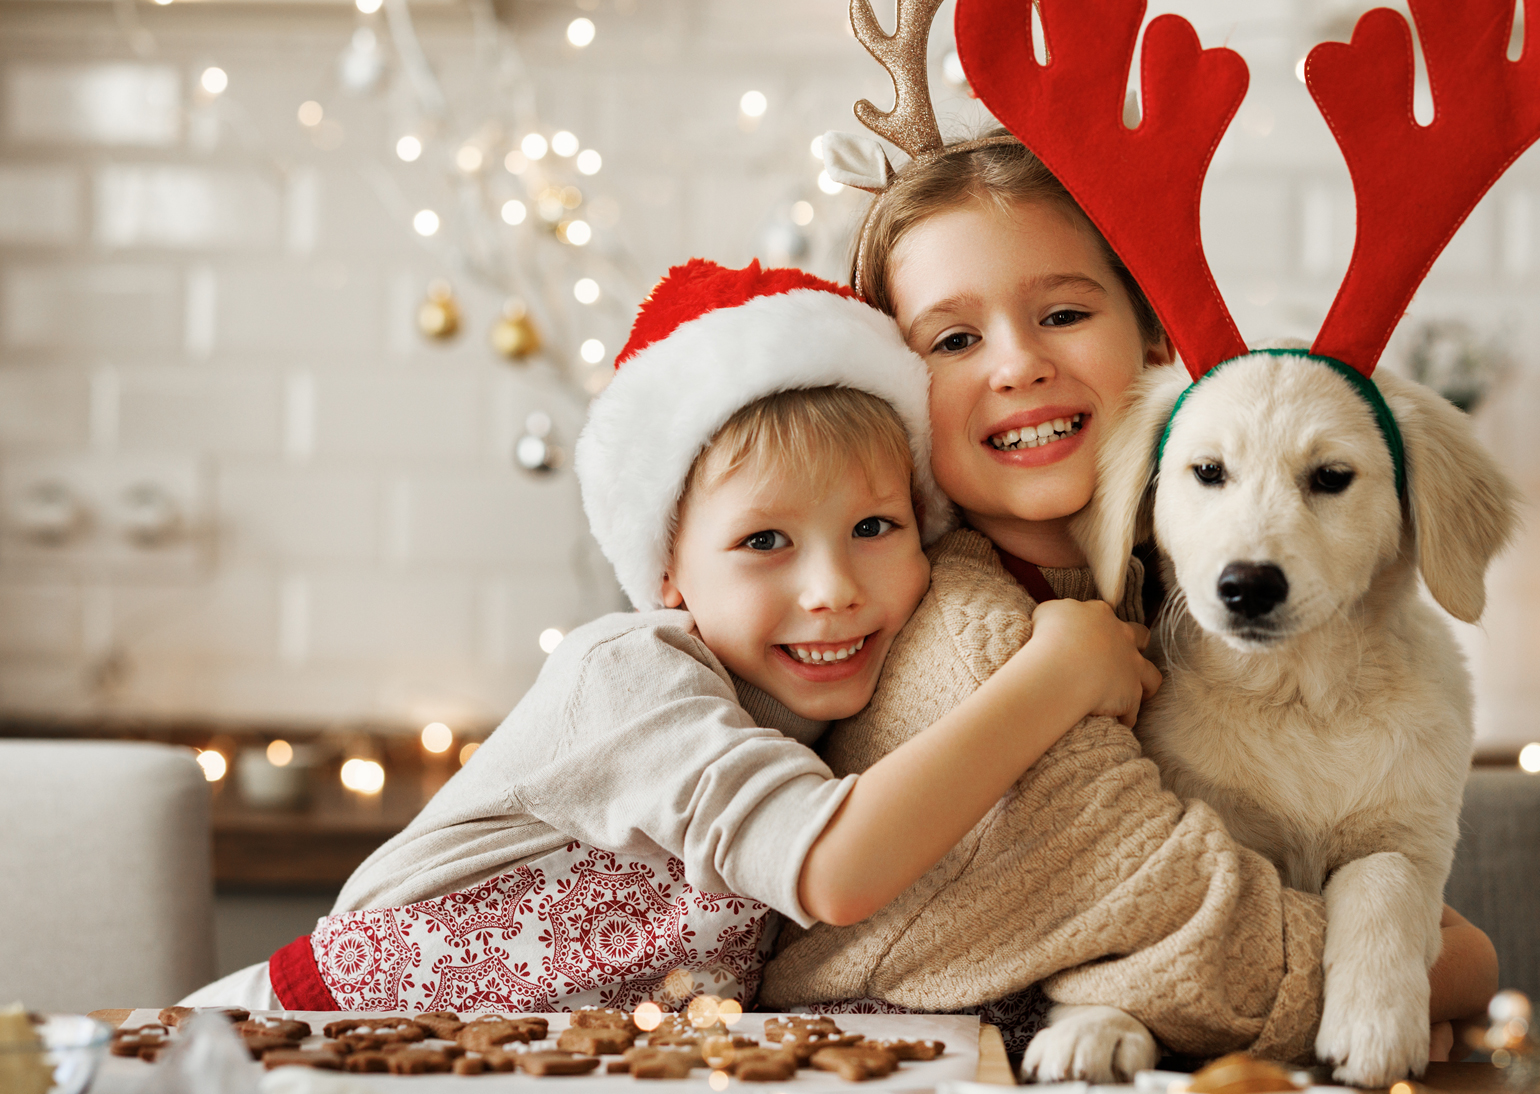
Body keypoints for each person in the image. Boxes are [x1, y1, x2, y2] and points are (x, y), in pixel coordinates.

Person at [176, 258, 1158, 1012]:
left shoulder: (845, 701)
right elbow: (837, 869)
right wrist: (1054, 676)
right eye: (763, 540)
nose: (831, 591)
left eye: (873, 528)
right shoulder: (629, 678)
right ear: (667, 575)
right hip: (312, 1049)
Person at [758, 141, 1498, 1073]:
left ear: (1154, 345)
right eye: (953, 339)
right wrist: (1452, 964)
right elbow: (1194, 921)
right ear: (898, 389)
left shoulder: (1161, 598)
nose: (1019, 365)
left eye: (1063, 314)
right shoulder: (967, 637)